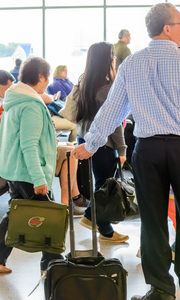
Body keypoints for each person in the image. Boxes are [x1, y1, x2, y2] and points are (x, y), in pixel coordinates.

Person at [72, 3, 180, 300]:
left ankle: (160, 289)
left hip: (148, 150)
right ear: (167, 28)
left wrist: (90, 144)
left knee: (152, 222)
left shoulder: (131, 64)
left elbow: (112, 111)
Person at [0, 57, 64, 274]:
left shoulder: (15, 98)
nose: (48, 82)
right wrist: (39, 179)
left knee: (16, 212)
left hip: (14, 168)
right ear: (40, 77)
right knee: (50, 216)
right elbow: (29, 145)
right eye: (47, 77)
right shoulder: (30, 105)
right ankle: (52, 263)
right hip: (29, 172)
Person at [64, 42, 129, 243]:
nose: (115, 59)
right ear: (107, 59)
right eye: (112, 56)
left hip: (85, 138)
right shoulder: (108, 88)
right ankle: (93, 218)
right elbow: (115, 123)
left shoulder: (83, 83)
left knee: (100, 183)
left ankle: (104, 228)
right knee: (105, 185)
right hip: (104, 143)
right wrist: (122, 149)